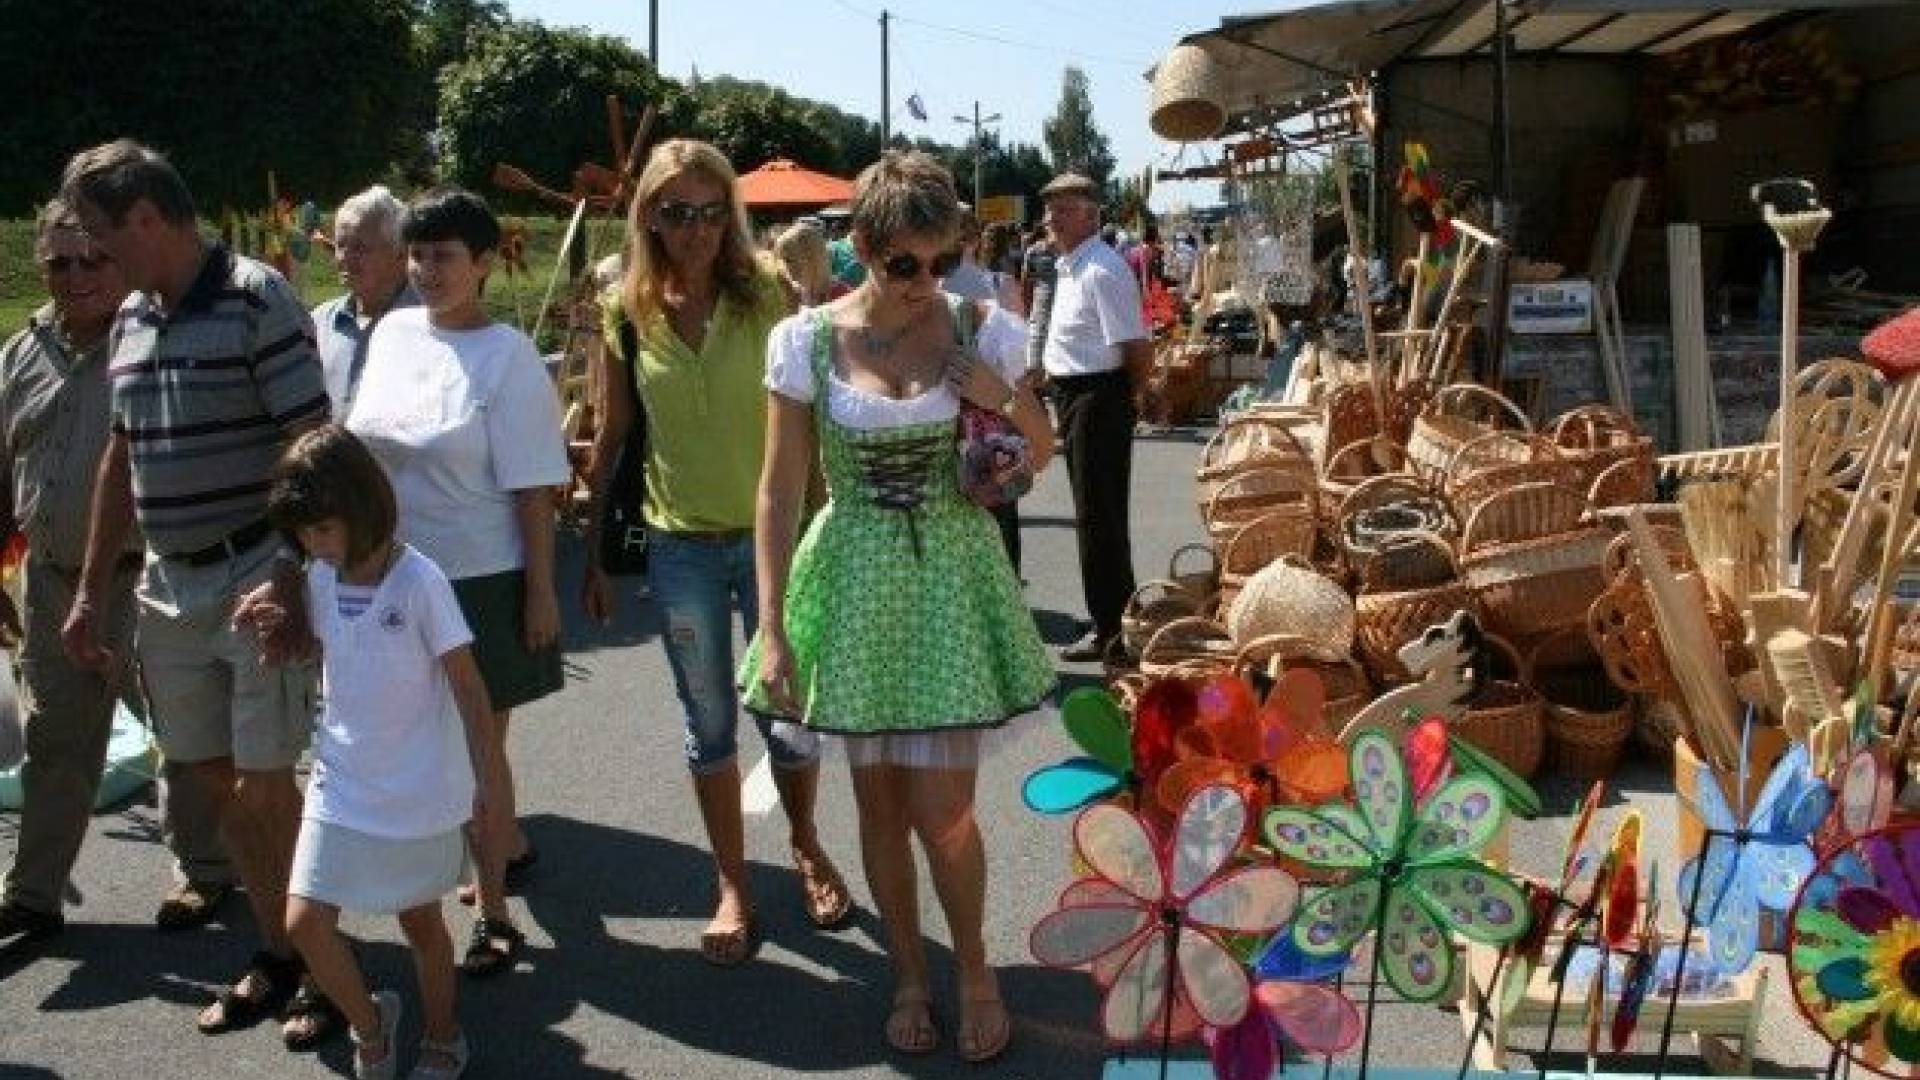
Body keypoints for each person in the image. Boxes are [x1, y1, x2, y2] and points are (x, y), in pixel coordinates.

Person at [743, 150, 1054, 1062]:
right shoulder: (803, 342)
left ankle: (976, 972)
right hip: (848, 588)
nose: (928, 282)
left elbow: (1042, 449)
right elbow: (776, 491)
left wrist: (1000, 399)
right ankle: (911, 977)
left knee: (943, 810)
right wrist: (769, 625)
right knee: (877, 807)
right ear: (865, 248)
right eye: (906, 263)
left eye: (944, 260)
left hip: (952, 587)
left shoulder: (981, 326)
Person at [59, 138, 327, 1040]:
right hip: (167, 590)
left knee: (266, 787)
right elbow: (119, 458)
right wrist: (91, 588)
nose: (92, 259)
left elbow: (311, 449)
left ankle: (320, 966)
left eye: (99, 238)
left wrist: (293, 576)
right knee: (216, 785)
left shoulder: (259, 299)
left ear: (145, 219)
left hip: (257, 574)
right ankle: (281, 951)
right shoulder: (132, 317)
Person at [580, 139, 850, 969]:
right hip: (679, 548)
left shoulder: (769, 293)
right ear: (648, 217)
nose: (693, 229)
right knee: (707, 725)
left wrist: (826, 534)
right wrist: (594, 552)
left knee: (791, 717)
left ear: (728, 212)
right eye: (674, 213)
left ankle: (805, 844)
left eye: (707, 211)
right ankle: (732, 882)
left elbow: (812, 419)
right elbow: (615, 433)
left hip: (776, 544)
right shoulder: (626, 309)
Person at [346, 188, 567, 978]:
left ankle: (496, 911)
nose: (426, 269)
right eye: (417, 254)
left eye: (443, 255)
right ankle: (425, 887)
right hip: (388, 572)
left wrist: (540, 593)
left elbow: (534, 489)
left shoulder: (507, 355)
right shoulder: (394, 331)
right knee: (405, 738)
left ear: (482, 262)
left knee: (478, 748)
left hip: (479, 577)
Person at [0, 198, 234, 946]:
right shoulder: (19, 351)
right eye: (58, 263)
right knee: (53, 741)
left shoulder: (154, 337)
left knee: (184, 733)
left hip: (148, 576)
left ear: (118, 258)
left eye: (91, 259)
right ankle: (32, 896)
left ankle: (204, 872)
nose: (75, 276)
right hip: (51, 580)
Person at [270, 425, 502, 1080]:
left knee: (422, 926)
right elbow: (332, 651)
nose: (315, 545)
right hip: (340, 780)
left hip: (417, 790)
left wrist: (487, 789)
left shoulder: (420, 582)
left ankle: (443, 1034)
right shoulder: (317, 576)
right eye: (304, 534)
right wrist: (276, 620)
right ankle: (372, 1027)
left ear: (362, 506)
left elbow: (469, 688)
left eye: (323, 529)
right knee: (305, 922)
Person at [1036, 173, 1150, 662]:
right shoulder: (1072, 266)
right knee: (1094, 517)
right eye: (1049, 210)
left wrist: (1133, 397)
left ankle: (1114, 631)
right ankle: (1112, 624)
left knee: (1100, 519)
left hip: (1096, 398)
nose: (1049, 220)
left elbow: (1136, 348)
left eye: (1061, 210)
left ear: (1089, 213)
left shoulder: (1102, 269)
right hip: (1076, 396)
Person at [311, 186, 420, 414]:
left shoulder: (431, 325)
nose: (345, 258)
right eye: (341, 245)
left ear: (400, 253)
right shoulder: (318, 323)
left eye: (360, 248)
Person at [769, 220, 839, 310]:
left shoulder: (841, 294)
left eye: (788, 260)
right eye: (780, 260)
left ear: (812, 260)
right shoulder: (784, 295)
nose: (782, 267)